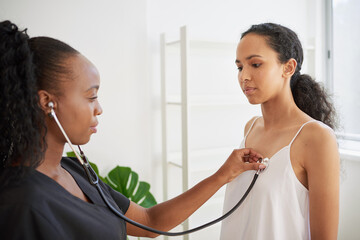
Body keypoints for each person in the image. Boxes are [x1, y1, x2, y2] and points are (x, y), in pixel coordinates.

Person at [0, 20, 266, 239]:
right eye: (91, 97)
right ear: (47, 102)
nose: (99, 109)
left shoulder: (74, 170)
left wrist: (224, 174)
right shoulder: (21, 205)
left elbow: (151, 221)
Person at [220, 23, 340, 240]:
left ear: (288, 68)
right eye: (239, 67)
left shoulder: (317, 138)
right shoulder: (251, 127)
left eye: (255, 64)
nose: (244, 76)